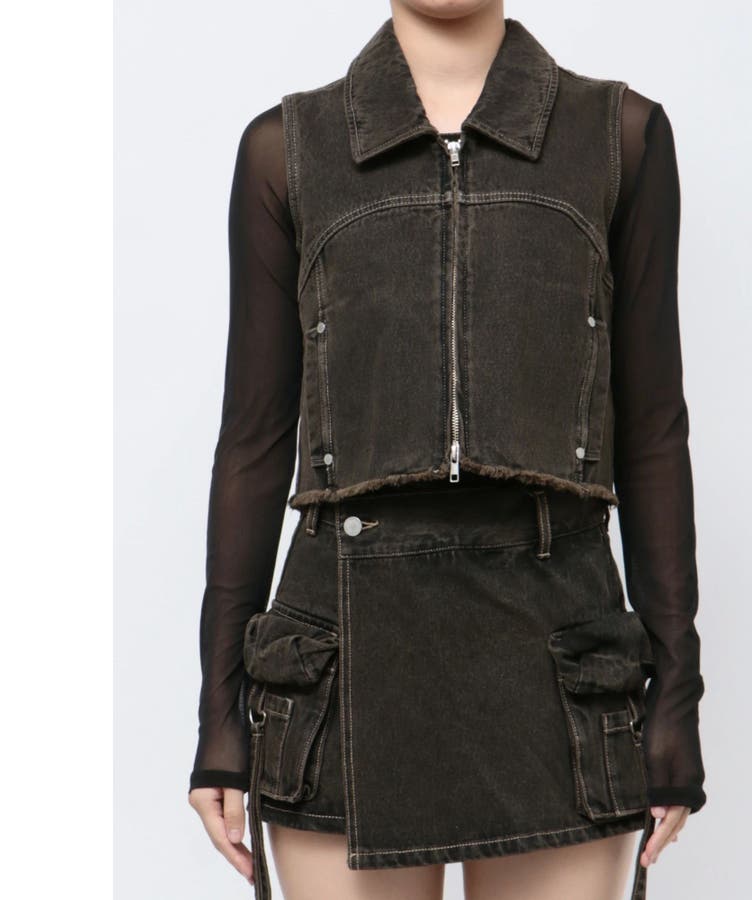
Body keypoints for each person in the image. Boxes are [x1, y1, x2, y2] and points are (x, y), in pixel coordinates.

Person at [188, 2, 707, 899]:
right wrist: (218, 714)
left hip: (558, 661)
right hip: (341, 662)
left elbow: (654, 432)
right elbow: (253, 443)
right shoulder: (288, 147)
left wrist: (677, 700)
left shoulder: (620, 134)